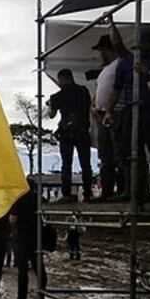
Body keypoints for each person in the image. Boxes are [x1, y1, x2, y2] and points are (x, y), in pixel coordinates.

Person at [107, 23, 150, 202]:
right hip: (131, 110)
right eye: (148, 41)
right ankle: (133, 190)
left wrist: (149, 73)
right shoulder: (127, 61)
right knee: (130, 152)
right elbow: (117, 88)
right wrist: (109, 111)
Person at [91, 33, 127, 200]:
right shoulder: (104, 70)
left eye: (102, 50)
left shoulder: (121, 63)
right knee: (105, 157)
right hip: (101, 115)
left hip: (117, 113)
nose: (100, 54)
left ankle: (122, 190)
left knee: (121, 155)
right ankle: (106, 192)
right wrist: (93, 108)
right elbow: (97, 91)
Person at [48, 68, 93, 202]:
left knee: (66, 164)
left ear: (62, 79)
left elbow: (51, 115)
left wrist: (51, 104)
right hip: (83, 130)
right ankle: (87, 193)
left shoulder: (58, 96)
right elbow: (88, 106)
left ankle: (66, 194)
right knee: (86, 164)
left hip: (66, 133)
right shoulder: (83, 91)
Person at [10, 178, 47, 299]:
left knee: (23, 270)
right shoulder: (38, 198)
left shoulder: (19, 199)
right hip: (37, 237)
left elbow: (13, 219)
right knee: (39, 268)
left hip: (21, 237)